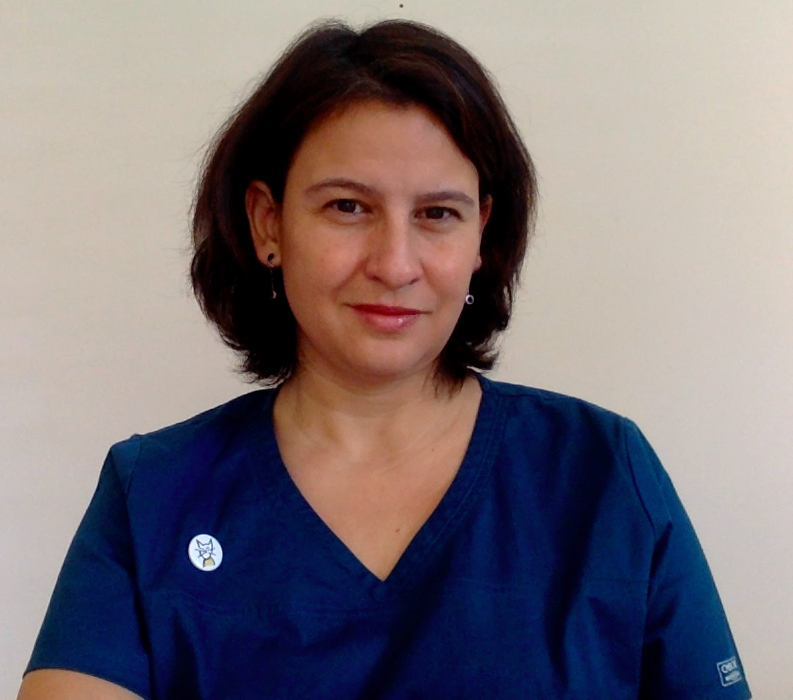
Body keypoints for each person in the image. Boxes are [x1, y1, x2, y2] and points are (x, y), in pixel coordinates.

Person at [18, 18, 750, 700]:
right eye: (348, 207)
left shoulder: (604, 476)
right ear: (268, 224)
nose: (395, 263)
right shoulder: (153, 494)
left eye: (437, 214)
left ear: (481, 234)